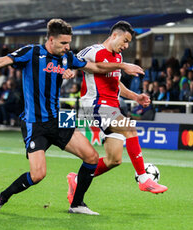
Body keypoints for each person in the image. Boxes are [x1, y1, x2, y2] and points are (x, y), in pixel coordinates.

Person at [0, 18, 144, 216]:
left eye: (69, 43)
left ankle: (77, 204)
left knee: (91, 157)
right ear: (50, 40)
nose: (68, 47)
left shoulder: (67, 57)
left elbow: (96, 67)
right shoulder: (31, 52)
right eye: (63, 43)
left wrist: (122, 67)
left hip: (58, 119)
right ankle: (3, 196)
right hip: (35, 123)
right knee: (38, 174)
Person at [64, 21, 167, 205]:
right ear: (114, 35)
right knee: (129, 128)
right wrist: (67, 71)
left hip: (111, 107)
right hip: (94, 105)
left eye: (128, 43)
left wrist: (135, 96)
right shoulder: (93, 51)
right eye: (125, 40)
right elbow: (71, 60)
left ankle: (76, 180)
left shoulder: (118, 58)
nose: (126, 46)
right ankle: (143, 179)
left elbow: (116, 84)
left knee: (114, 159)